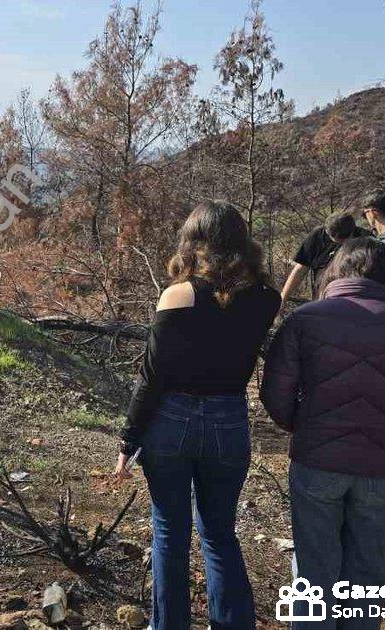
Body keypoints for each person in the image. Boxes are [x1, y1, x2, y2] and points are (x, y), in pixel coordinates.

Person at [262, 237, 385, 629]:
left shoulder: (305, 319)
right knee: (368, 573)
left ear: (337, 270)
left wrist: (302, 424)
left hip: (317, 461)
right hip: (382, 466)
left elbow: (275, 392)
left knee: (313, 571)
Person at [114, 200, 279, 630]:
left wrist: (128, 440)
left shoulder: (179, 295)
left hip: (171, 420)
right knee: (220, 533)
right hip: (229, 419)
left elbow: (152, 376)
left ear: (195, 242)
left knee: (170, 532)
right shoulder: (266, 298)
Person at [278, 210, 369, 309]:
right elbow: (300, 269)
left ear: (352, 232)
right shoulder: (317, 237)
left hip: (355, 302)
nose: (339, 243)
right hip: (321, 300)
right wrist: (283, 299)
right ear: (327, 231)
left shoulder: (366, 242)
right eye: (333, 239)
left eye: (343, 240)